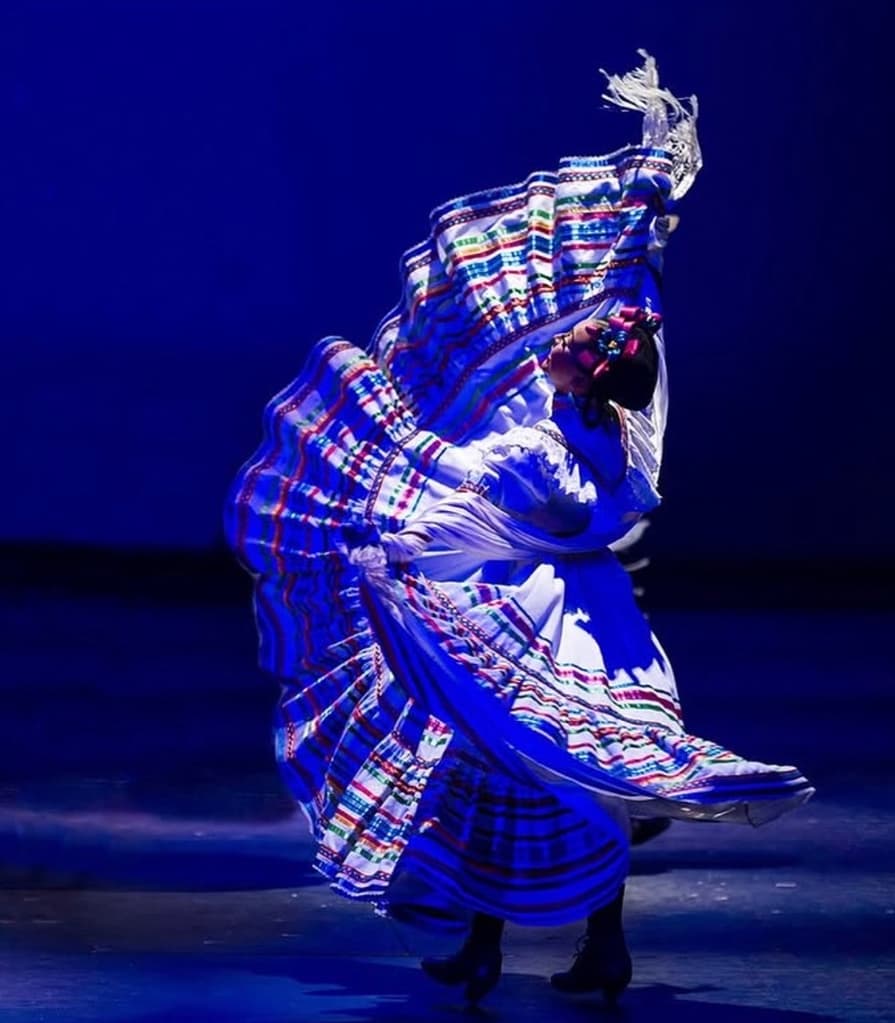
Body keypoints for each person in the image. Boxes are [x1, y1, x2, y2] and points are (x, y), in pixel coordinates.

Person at [226, 53, 813, 1007]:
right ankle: (558, 948)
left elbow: (482, 490)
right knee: (545, 774)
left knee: (516, 766)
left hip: (549, 619)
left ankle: (518, 948)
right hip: (589, 613)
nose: (559, 339)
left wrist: (389, 549)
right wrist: (647, 211)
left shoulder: (550, 451)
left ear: (588, 372)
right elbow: (633, 315)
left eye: (572, 343)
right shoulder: (606, 431)